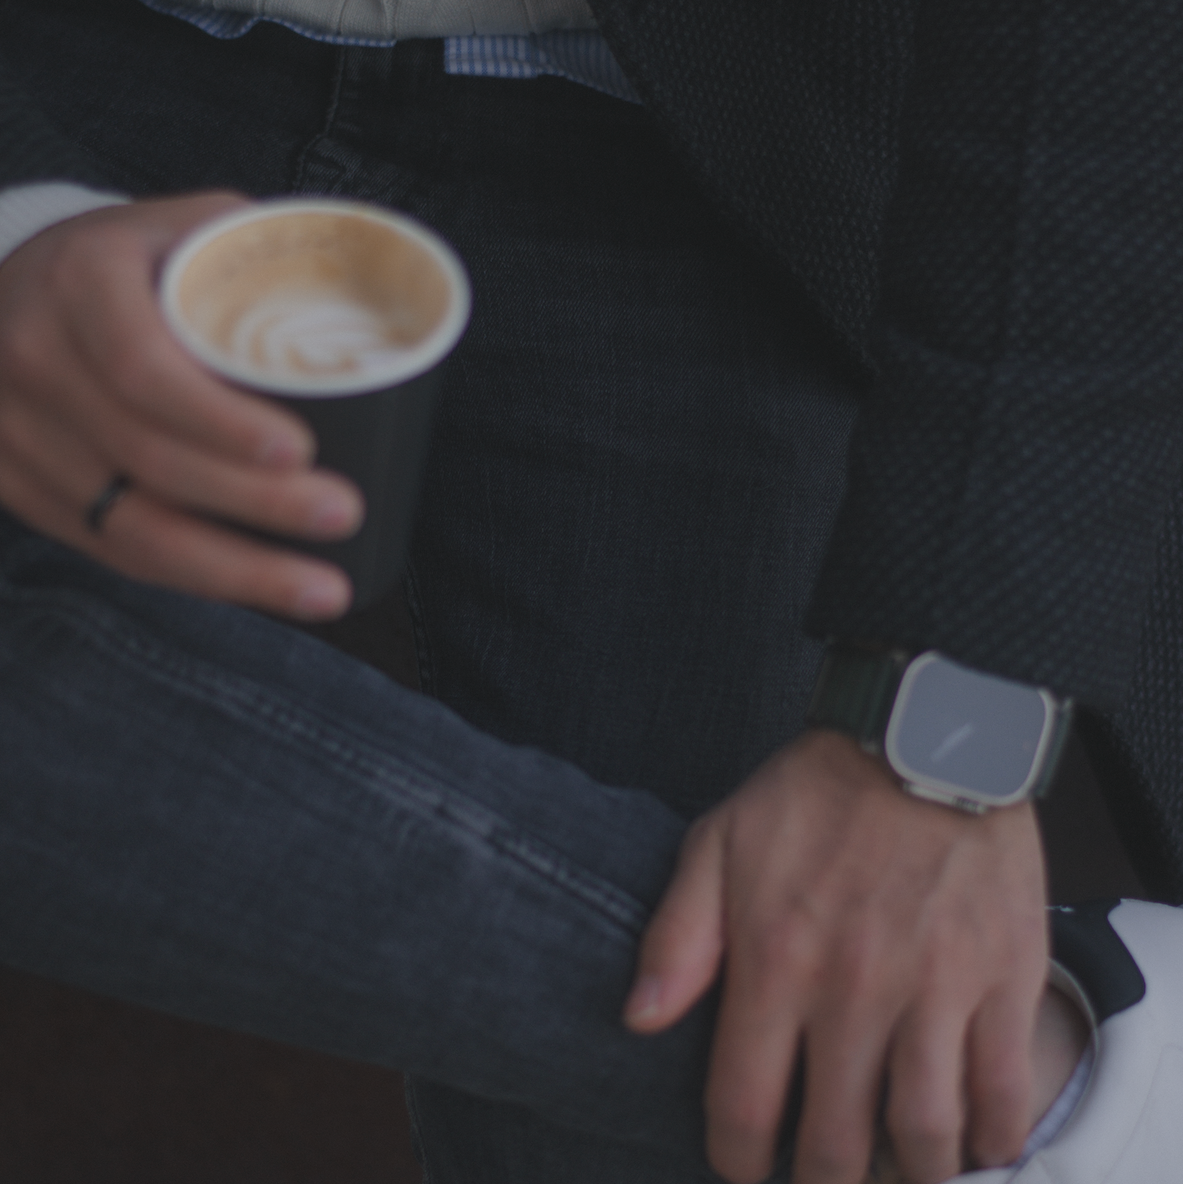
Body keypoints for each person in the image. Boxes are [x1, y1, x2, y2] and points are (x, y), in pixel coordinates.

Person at [2, 1, 1182, 1183]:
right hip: (80, 62)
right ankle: (1059, 1077)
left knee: (631, 1140)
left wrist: (942, 734)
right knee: (782, 1013)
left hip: (702, 118)